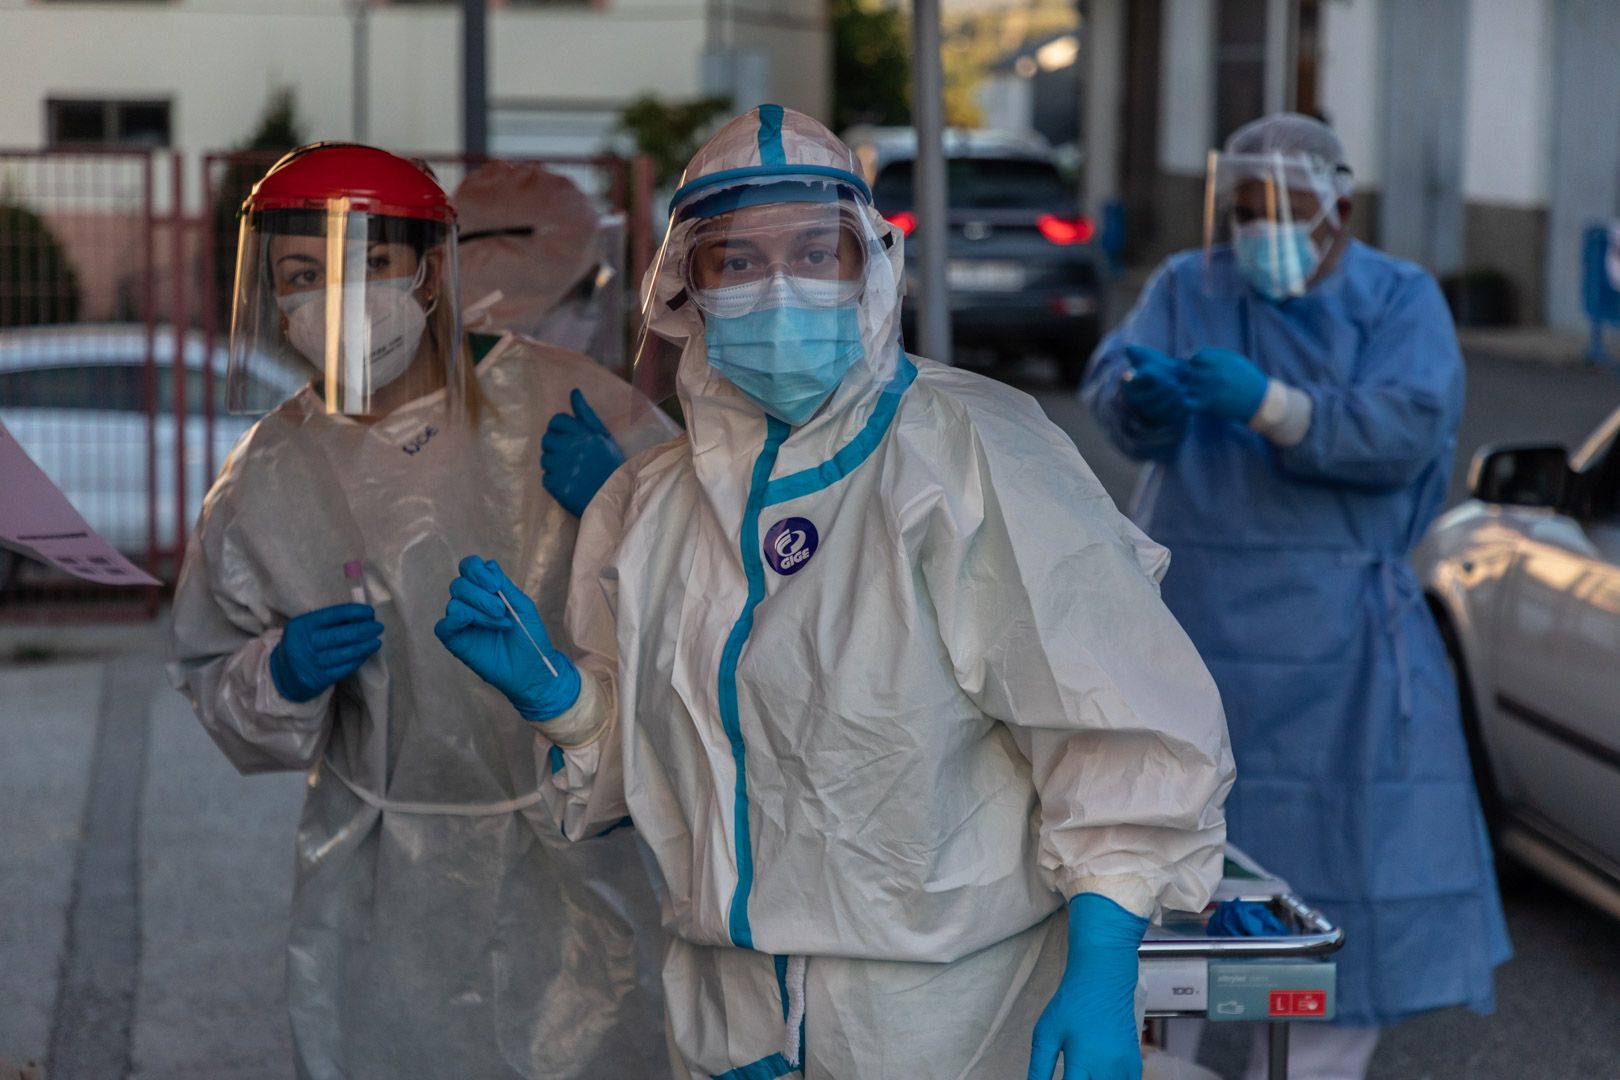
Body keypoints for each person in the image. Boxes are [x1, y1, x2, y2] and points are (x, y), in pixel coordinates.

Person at [435, 105, 1234, 1080]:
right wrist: (560, 699)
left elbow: (1116, 725)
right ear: (685, 288)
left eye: (817, 253)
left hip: (940, 1022)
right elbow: (655, 772)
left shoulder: (975, 456)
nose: (780, 286)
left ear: (872, 269)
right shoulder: (648, 506)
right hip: (726, 1021)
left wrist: (1104, 967)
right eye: (738, 260)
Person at [167, 142, 674, 1080]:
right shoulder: (270, 471)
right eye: (302, 274)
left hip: (581, 852)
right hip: (376, 871)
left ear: (431, 273)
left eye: (371, 263)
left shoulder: (562, 399)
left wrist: (634, 507)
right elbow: (209, 667)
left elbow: (718, 605)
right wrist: (272, 675)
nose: (337, 296)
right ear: (272, 298)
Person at [1081, 113, 1511, 1079]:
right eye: (1239, 210)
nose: (1254, 230)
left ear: (1340, 208)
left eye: (1279, 210)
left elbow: (1406, 429)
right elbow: (1114, 378)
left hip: (1344, 659)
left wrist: (1275, 406)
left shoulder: (1397, 299)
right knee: (1171, 903)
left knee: (1342, 894)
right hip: (1196, 644)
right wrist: (1134, 402)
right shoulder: (1189, 287)